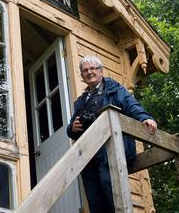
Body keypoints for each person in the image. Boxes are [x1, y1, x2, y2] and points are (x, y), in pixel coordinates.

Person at [67, 55, 157, 213]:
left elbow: (131, 105)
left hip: (111, 150)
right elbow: (72, 130)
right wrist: (72, 128)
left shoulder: (114, 89)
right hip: (88, 155)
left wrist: (146, 118)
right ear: (82, 76)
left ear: (101, 71)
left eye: (92, 68)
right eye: (85, 70)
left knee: (112, 193)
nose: (89, 72)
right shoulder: (80, 101)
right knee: (95, 200)